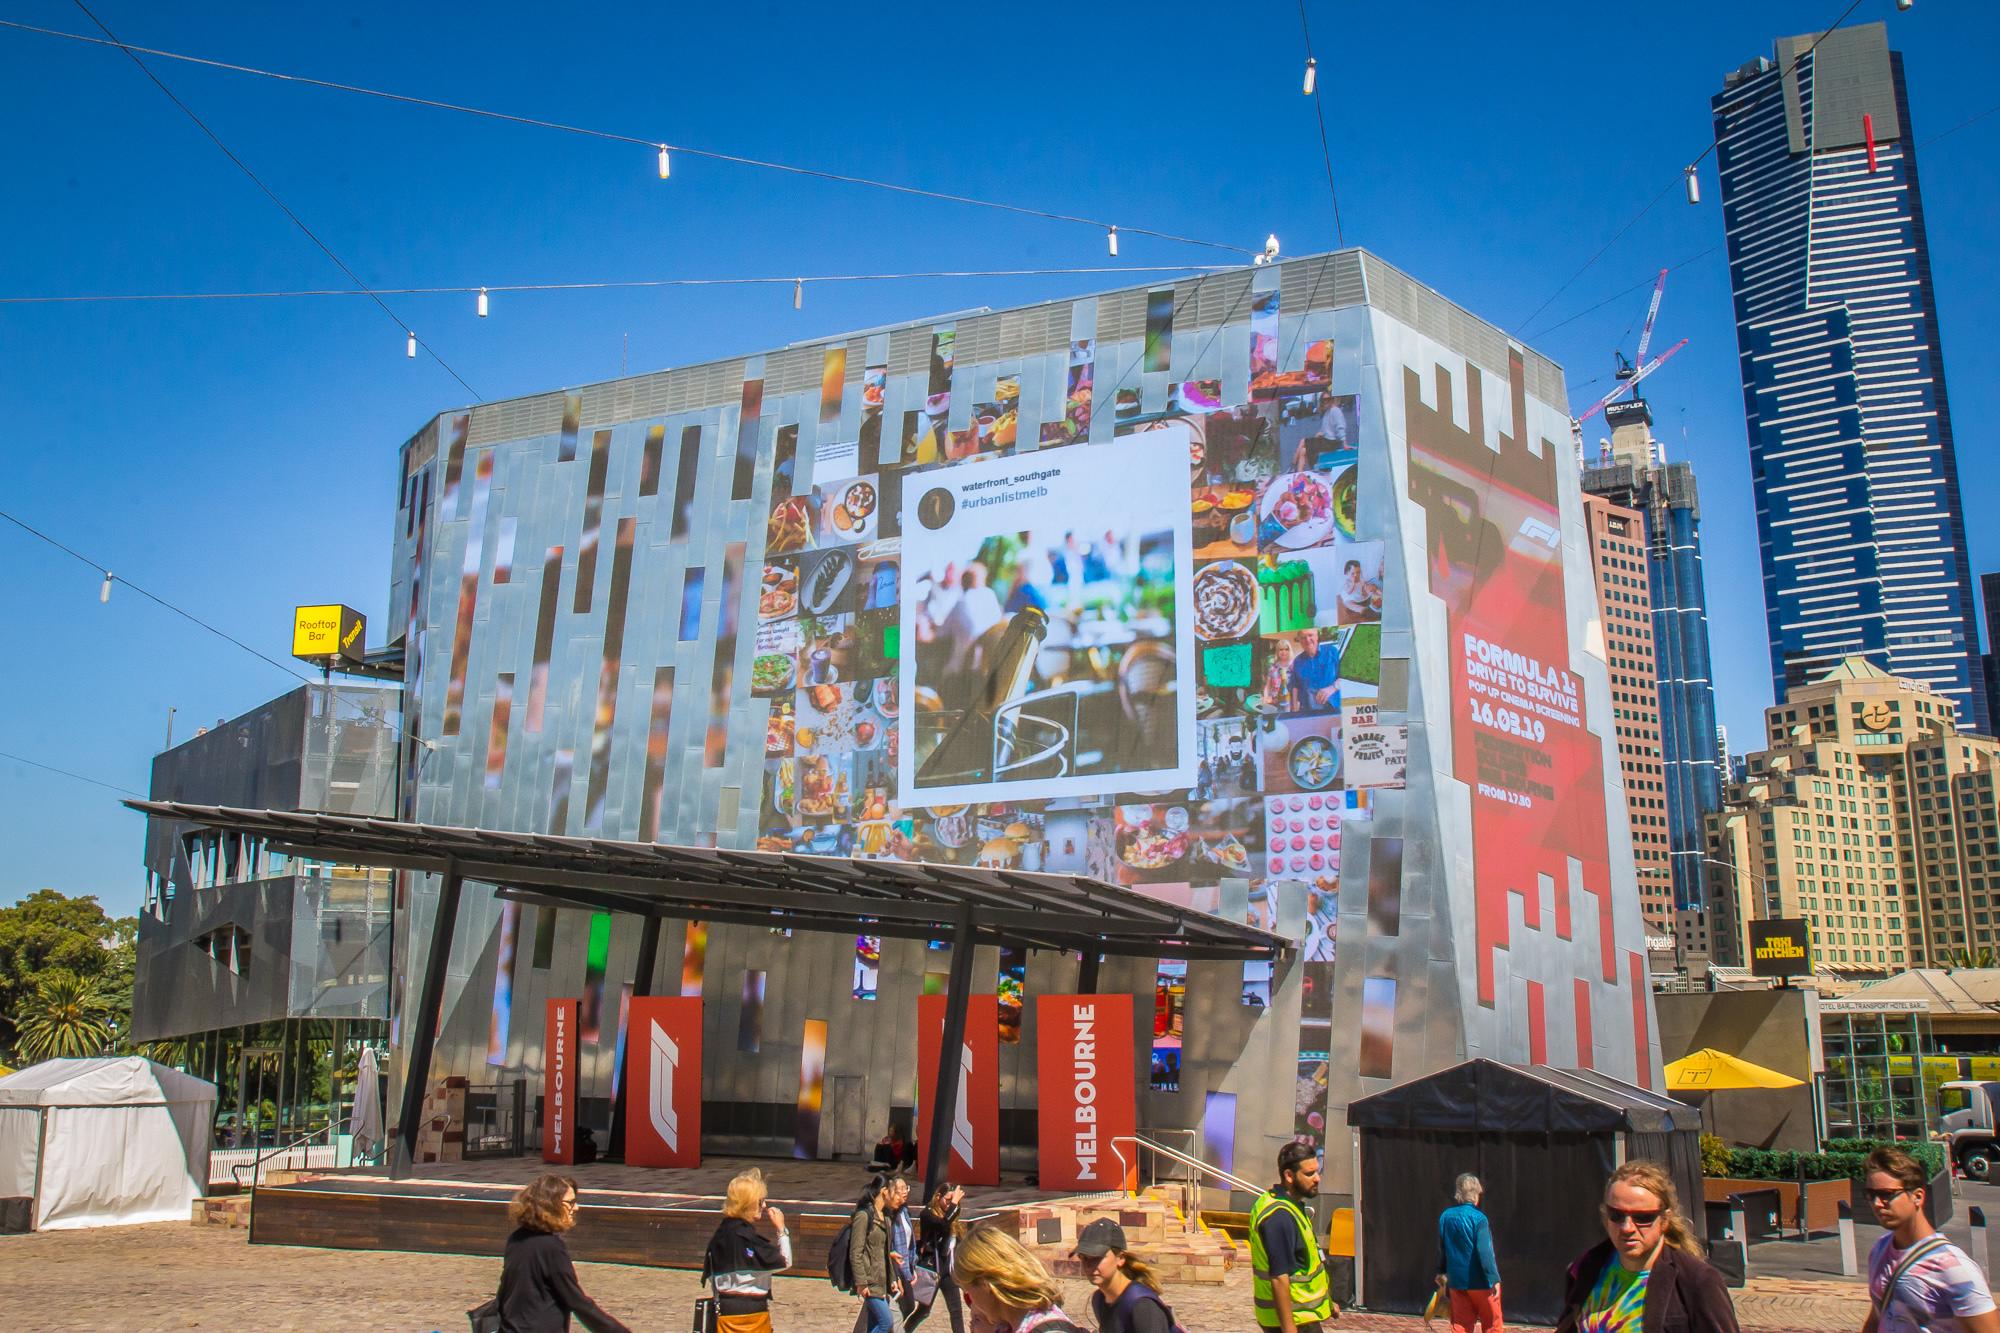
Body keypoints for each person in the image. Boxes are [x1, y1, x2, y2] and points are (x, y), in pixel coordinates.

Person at [1554, 1161, 1737, 1333]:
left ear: (1664, 1220)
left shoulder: (1697, 1281)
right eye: (1616, 1215)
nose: (1627, 1228)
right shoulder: (1585, 1268)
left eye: (1642, 1218)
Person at [1861, 1146, 2000, 1333]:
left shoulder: (1953, 1268)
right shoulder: (1879, 1249)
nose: (1877, 1203)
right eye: (1871, 1195)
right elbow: (1878, 1316)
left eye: (1887, 1194)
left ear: (1917, 1197)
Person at [494, 1174, 631, 1333]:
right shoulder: (551, 1247)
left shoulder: (516, 1238)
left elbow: (505, 1291)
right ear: (551, 1205)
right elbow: (576, 1300)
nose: (576, 1207)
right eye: (571, 1202)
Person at [1250, 1141, 1337, 1332]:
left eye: (1317, 1171)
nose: (1317, 1178)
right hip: (1293, 1321)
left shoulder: (1286, 1204)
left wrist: (1329, 1303)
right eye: (1309, 1174)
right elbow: (1279, 1278)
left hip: (1302, 1317)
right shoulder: (1279, 1217)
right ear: (1289, 1175)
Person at [702, 1167, 792, 1333]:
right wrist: (782, 1230)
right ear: (749, 1203)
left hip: (724, 1313)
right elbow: (785, 1261)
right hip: (753, 1317)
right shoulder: (747, 1239)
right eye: (760, 1201)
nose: (764, 1205)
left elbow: (711, 1275)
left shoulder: (719, 1237)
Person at [951, 1222, 1082, 1332]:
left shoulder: (1047, 1329)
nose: (972, 1301)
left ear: (985, 1284)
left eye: (967, 1291)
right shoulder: (1011, 1325)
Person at [1075, 1218, 1177, 1333]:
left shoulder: (1142, 1306)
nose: (1089, 1265)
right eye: (1084, 1258)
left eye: (1097, 1257)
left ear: (1120, 1258)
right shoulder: (1099, 1300)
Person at [1437, 1173, 1502, 1333]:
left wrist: (1441, 1271)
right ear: (1477, 1193)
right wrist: (1494, 1278)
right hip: (1480, 1281)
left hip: (1456, 1280)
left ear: (1458, 1193)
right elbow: (1485, 1252)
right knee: (1492, 1325)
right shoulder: (1479, 1219)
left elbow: (1443, 1248)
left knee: (1460, 1326)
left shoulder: (1445, 1216)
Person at [907, 1181, 967, 1332]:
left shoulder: (952, 1215)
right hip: (932, 1268)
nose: (950, 1204)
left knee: (956, 1311)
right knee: (923, 1311)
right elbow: (943, 1225)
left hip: (947, 1271)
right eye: (948, 1200)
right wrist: (954, 1204)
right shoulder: (927, 1214)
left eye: (953, 1201)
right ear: (938, 1196)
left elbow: (956, 1240)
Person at [851, 1174, 905, 1333]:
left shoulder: (886, 1217)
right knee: (886, 1322)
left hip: (882, 1281)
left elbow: (885, 1251)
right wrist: (861, 1282)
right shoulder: (864, 1215)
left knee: (874, 1325)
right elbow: (856, 1252)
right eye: (893, 1191)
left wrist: (892, 1278)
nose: (895, 1195)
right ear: (884, 1191)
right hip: (870, 1280)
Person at [1287, 631, 1339, 713]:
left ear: (1317, 636)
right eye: (1303, 637)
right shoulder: (1297, 661)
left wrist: (1333, 688)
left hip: (1334, 708)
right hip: (1308, 711)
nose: (1307, 640)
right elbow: (1295, 685)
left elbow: (1346, 677)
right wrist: (1294, 707)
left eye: (1310, 635)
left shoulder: (1332, 652)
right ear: (1299, 640)